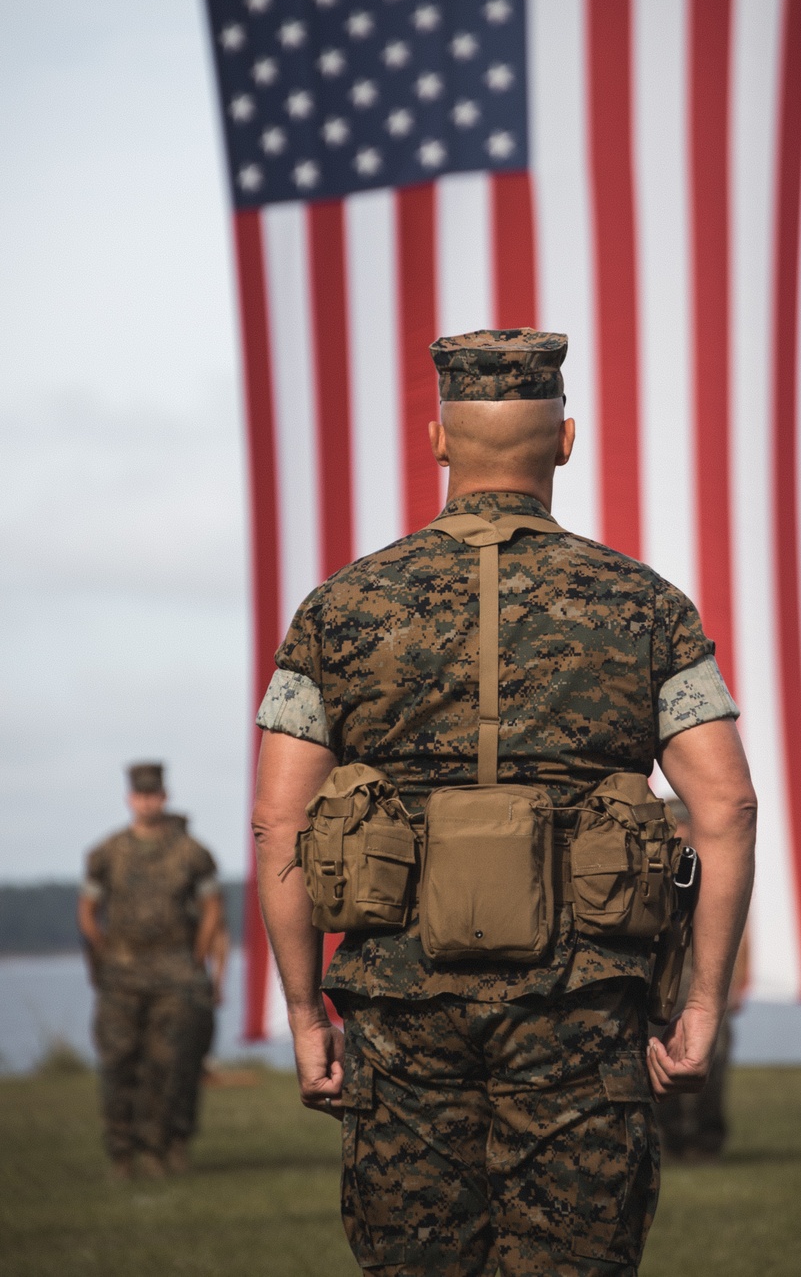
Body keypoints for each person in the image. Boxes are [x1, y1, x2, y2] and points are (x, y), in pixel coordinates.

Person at [252, 329, 757, 1275]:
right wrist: (702, 1003)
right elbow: (725, 808)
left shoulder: (341, 608)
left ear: (439, 441)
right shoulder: (645, 606)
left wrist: (306, 1017)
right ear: (566, 440)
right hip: (584, 1009)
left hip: (400, 1015)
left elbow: (280, 822)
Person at [78, 762, 225, 1179]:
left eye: (154, 795)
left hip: (175, 974)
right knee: (118, 1062)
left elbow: (213, 909)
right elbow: (88, 911)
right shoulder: (106, 853)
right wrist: (106, 953)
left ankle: (160, 1149)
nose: (147, 802)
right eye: (140, 795)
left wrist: (197, 958)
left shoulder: (191, 852)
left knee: (170, 1064)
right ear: (130, 799)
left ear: (164, 797)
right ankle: (121, 1153)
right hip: (122, 975)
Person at [652, 798, 749, 1162]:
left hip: (703, 981)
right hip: (662, 983)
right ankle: (672, 1139)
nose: (678, 833)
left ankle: (708, 1140)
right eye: (672, 826)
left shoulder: (712, 872)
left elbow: (739, 931)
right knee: (659, 1059)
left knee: (713, 1060)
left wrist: (734, 984)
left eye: (683, 826)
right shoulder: (652, 870)